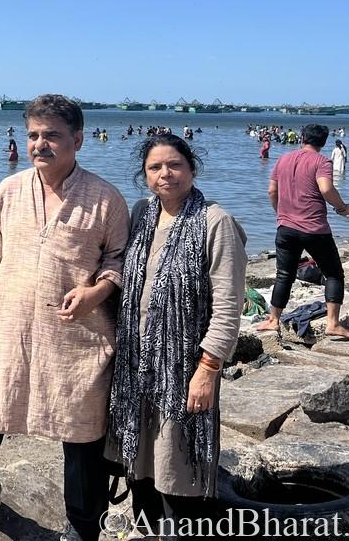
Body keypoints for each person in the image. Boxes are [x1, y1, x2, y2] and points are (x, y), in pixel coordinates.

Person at [0, 94, 130, 541]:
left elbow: (118, 260)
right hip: (9, 326)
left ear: (77, 139)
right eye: (34, 135)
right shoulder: (9, 190)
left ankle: (83, 526)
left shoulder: (106, 198)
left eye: (52, 135)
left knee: (81, 430)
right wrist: (1, 306)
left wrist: (97, 291)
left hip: (78, 334)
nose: (40, 144)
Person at [107, 134, 246, 538]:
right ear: (144, 175)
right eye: (155, 167)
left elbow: (228, 306)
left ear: (191, 168)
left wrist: (208, 368)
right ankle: (144, 528)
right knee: (140, 456)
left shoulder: (214, 221)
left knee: (178, 459)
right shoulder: (141, 214)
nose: (165, 174)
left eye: (174, 165)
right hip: (136, 366)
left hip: (186, 366)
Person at [256, 124, 349, 340]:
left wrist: (280, 214)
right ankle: (333, 324)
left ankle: (273, 320)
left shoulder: (283, 159)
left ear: (302, 137)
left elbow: (271, 191)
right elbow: (326, 188)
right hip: (314, 229)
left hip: (286, 228)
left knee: (284, 274)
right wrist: (343, 208)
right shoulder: (322, 161)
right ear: (323, 142)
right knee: (333, 273)